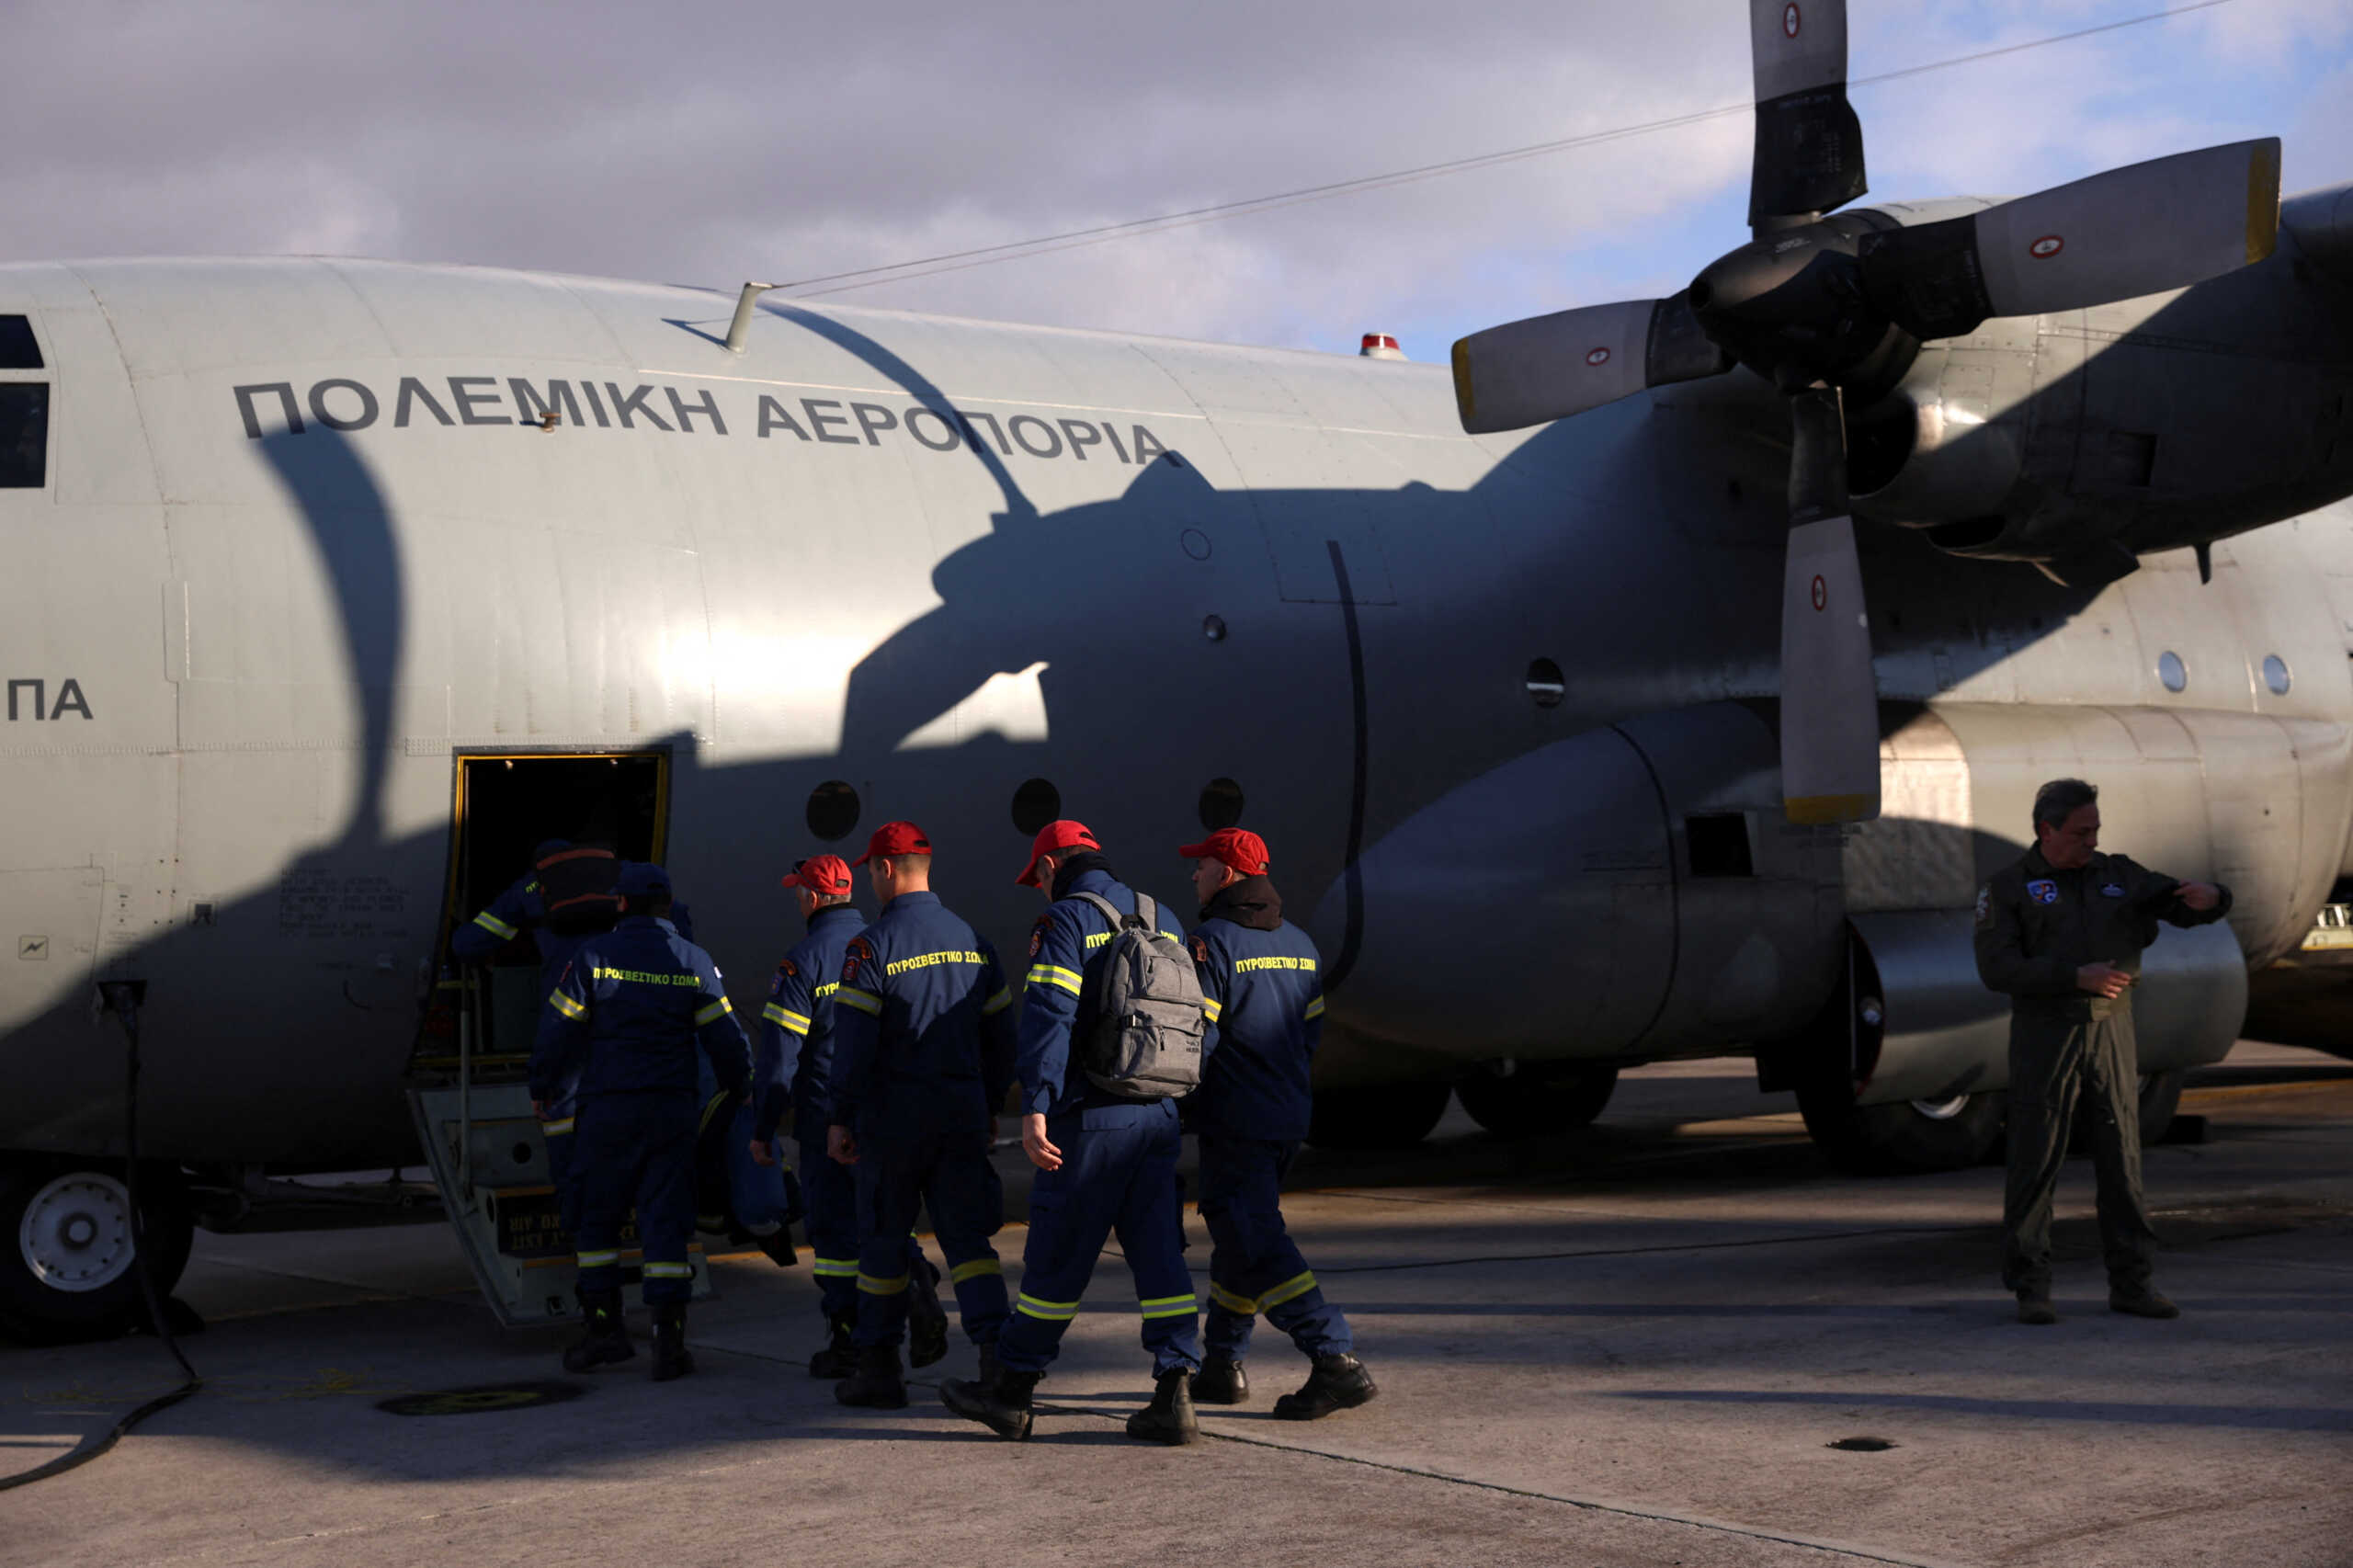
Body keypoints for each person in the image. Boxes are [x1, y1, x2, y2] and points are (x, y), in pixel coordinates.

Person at [940, 820, 1204, 1445]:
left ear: (1054, 865)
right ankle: (1175, 1392)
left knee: (1056, 1260)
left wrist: (1036, 1103)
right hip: (1159, 1112)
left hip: (1092, 1121)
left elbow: (1051, 1016)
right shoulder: (1162, 914)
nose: (1038, 888)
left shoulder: (1064, 922)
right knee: (1160, 1255)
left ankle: (1010, 1393)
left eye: (1038, 877)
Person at [1974, 778, 2231, 1325]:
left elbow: (2180, 902)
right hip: (2046, 1034)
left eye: (2096, 830)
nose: (2092, 841)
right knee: (2036, 1158)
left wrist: (2213, 898)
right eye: (2080, 832)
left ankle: (2133, 1283)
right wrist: (2073, 977)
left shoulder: (2118, 875)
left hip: (2112, 1033)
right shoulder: (2009, 888)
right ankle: (2031, 1286)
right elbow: (1996, 969)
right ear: (2047, 830)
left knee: (2122, 1159)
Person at [1180, 827, 1375, 1419]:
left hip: (1235, 1119)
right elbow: (1309, 1033)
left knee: (1254, 1238)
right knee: (1243, 1235)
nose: (1195, 875)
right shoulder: (1301, 944)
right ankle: (1223, 1363)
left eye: (1203, 866)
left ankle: (1333, 1357)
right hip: (1287, 1113)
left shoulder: (1209, 944)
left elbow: (1198, 1043)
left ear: (1227, 876)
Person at [533, 862, 751, 1381]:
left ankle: (605, 1333)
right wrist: (739, 1090)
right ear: (667, 905)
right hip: (669, 1110)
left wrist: (543, 1088)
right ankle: (669, 1345)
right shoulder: (692, 961)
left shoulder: (595, 957)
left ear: (622, 904)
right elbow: (725, 1038)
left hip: (608, 1109)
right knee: (666, 1223)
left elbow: (558, 1033)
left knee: (596, 1222)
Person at [824, 822, 1017, 1408]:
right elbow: (1002, 1037)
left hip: (894, 1120)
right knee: (970, 1245)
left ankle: (880, 1370)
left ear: (884, 870)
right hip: (960, 1112)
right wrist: (988, 1103)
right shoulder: (973, 940)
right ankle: (995, 1363)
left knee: (883, 1243)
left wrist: (840, 1117)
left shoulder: (871, 947)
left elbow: (853, 1047)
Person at [752, 853, 948, 1377]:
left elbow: (779, 1060)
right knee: (885, 1217)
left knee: (837, 1237)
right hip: (887, 1113)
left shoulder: (803, 961)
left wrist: (763, 1127)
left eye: (799, 891)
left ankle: (849, 1340)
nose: (797, 898)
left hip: (824, 1121)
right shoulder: (881, 944)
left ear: (813, 899)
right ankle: (917, 1282)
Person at [450, 839, 606, 1239]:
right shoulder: (618, 882)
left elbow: (471, 943)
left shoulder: (530, 888)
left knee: (565, 1126)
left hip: (568, 1012)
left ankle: (584, 1242)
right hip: (624, 1019)